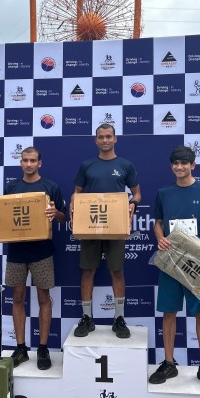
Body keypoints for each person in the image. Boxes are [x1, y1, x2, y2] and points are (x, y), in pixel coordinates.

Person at [149, 145, 200, 390]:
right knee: (169, 312)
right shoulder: (163, 193)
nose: (179, 167)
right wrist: (160, 237)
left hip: (197, 264)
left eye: (184, 163)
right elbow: (157, 223)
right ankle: (169, 362)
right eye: (175, 163)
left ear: (193, 165)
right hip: (170, 262)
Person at [0, 147, 67, 370]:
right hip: (16, 252)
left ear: (40, 163)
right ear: (21, 162)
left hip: (42, 252)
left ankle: (43, 348)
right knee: (17, 298)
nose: (29, 164)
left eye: (33, 160)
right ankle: (21, 348)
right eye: (25, 160)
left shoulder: (50, 187)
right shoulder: (11, 187)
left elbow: (63, 218)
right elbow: (2, 216)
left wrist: (55, 214)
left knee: (44, 299)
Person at [71, 123, 140, 339]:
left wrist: (132, 204)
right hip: (91, 226)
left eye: (108, 136)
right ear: (96, 140)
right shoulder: (87, 165)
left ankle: (119, 318)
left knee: (117, 271)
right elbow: (77, 193)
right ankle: (87, 318)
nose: (105, 140)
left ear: (115, 139)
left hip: (115, 226)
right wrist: (73, 203)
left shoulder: (125, 165)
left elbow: (137, 193)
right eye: (101, 137)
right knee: (87, 271)